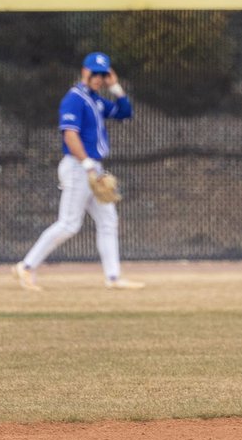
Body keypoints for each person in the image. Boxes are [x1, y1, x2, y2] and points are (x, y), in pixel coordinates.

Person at [13, 51, 144, 292]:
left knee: (108, 220)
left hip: (92, 166)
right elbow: (70, 134)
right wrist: (87, 165)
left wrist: (115, 87)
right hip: (78, 166)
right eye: (94, 72)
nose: (97, 77)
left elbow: (125, 113)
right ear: (84, 71)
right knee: (69, 224)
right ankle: (27, 266)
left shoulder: (95, 99)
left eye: (102, 74)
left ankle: (113, 277)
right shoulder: (75, 98)